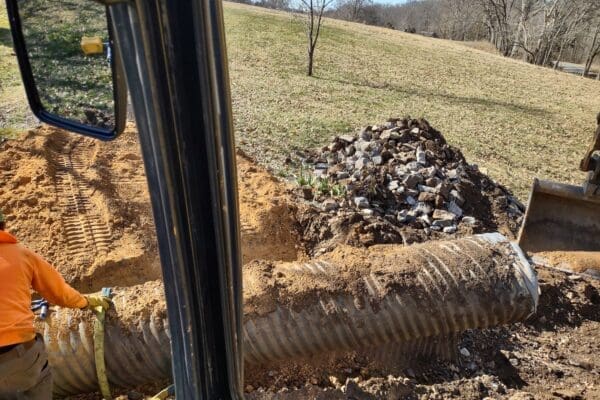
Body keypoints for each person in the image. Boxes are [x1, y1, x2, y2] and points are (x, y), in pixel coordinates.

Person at [0, 210, 110, 399]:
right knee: (37, 381)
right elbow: (59, 293)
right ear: (3, 226)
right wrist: (85, 302)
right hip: (19, 355)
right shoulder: (21, 254)